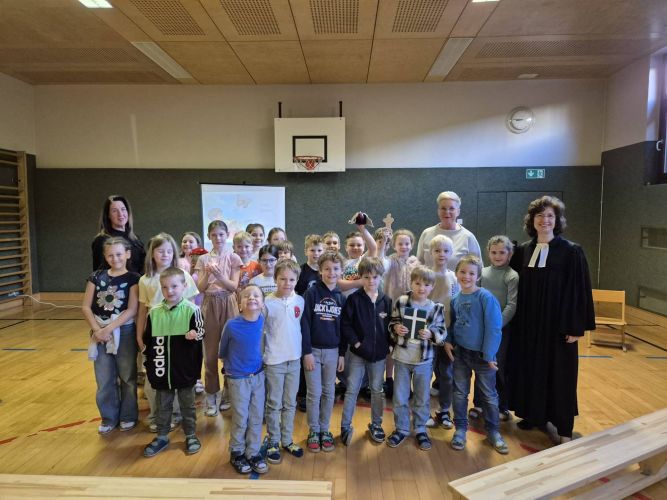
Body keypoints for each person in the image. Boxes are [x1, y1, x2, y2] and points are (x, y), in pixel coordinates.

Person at [509, 196, 595, 444]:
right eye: (539, 215)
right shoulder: (523, 251)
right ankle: (534, 415)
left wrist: (575, 327)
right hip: (528, 325)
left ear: (557, 220)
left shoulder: (571, 251)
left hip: (557, 327)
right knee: (530, 369)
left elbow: (579, 290)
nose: (544, 220)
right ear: (532, 220)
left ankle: (564, 428)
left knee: (560, 375)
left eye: (549, 216)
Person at [136, 233, 199, 432]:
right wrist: (139, 336)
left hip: (179, 337)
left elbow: (193, 307)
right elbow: (142, 311)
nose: (165, 254)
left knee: (178, 377)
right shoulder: (145, 280)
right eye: (160, 251)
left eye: (169, 251)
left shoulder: (184, 276)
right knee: (153, 379)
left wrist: (193, 334)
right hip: (157, 338)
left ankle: (176, 414)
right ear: (152, 253)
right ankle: (157, 415)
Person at [445, 255, 507, 454]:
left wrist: (489, 355)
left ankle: (493, 431)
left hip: (482, 357)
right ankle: (460, 429)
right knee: (459, 393)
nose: (466, 276)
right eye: (462, 272)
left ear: (478, 276)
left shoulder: (485, 298)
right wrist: (448, 341)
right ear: (456, 273)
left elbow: (494, 328)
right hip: (461, 355)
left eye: (471, 273)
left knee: (489, 395)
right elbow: (453, 325)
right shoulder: (455, 299)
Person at [142, 267, 204, 458]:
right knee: (162, 404)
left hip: (185, 369)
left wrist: (195, 334)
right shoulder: (154, 313)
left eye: (174, 286)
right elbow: (148, 341)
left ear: (184, 286)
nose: (169, 291)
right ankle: (161, 436)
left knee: (187, 405)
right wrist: (149, 365)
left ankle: (191, 435)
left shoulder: (193, 310)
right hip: (161, 369)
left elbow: (201, 331)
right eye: (165, 287)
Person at [82, 237, 139, 434]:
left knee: (127, 376)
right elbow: (86, 307)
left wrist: (109, 329)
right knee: (104, 378)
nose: (115, 258)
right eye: (110, 255)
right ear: (105, 257)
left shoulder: (133, 278)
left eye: (119, 254)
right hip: (99, 331)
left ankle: (128, 416)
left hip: (124, 331)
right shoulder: (96, 277)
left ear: (127, 254)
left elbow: (132, 309)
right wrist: (98, 330)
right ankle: (108, 417)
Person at [387, 266, 445, 451]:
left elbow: (442, 331)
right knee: (400, 397)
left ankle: (420, 428)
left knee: (422, 397)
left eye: (426, 285)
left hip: (424, 361)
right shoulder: (402, 301)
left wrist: (431, 334)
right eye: (417, 283)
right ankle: (402, 428)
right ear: (411, 283)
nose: (421, 288)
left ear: (432, 287)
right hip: (402, 358)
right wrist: (396, 328)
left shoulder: (436, 308)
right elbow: (392, 322)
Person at [340, 257, 392, 446]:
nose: (371, 281)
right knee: (352, 389)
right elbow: (346, 325)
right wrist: (356, 344)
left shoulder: (386, 301)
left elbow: (390, 326)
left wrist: (389, 345)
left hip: (378, 357)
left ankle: (376, 424)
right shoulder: (354, 299)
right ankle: (345, 425)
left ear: (381, 277)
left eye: (375, 277)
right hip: (357, 355)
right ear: (361, 277)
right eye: (367, 277)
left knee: (377, 390)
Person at [219, 285, 269, 475]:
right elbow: (223, 351)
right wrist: (230, 369)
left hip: (258, 376)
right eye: (247, 295)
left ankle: (253, 452)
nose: (252, 298)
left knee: (256, 416)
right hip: (237, 378)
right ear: (240, 304)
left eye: (256, 295)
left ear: (262, 304)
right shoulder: (231, 325)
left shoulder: (264, 322)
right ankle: (237, 452)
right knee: (241, 417)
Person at [469, 235, 518, 422]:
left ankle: (501, 406)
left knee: (498, 366)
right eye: (494, 252)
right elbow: (476, 297)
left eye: (502, 252)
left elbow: (511, 305)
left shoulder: (512, 276)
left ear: (509, 254)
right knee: (481, 365)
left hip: (500, 330)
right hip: (482, 329)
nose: (498, 256)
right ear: (488, 253)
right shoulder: (482, 272)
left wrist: (496, 326)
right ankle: (479, 404)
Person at [195, 220, 242, 416]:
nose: (218, 238)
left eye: (221, 234)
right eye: (213, 235)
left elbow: (233, 286)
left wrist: (220, 275)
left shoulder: (233, 257)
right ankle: (211, 394)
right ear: (209, 236)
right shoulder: (203, 259)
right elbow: (200, 288)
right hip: (210, 303)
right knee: (210, 353)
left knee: (231, 351)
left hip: (229, 302)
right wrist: (208, 274)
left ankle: (228, 393)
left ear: (227, 235)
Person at [301, 251, 346, 453]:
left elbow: (344, 328)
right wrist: (306, 352)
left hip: (333, 352)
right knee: (314, 392)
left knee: (329, 391)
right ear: (320, 271)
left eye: (335, 269)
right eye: (327, 268)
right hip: (313, 352)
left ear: (341, 271)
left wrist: (342, 354)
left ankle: (324, 429)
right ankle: (314, 430)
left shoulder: (341, 297)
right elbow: (304, 324)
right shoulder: (311, 293)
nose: (331, 272)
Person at [263, 259, 305, 464]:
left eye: (291, 280)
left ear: (296, 280)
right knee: (274, 403)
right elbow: (261, 332)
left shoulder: (300, 301)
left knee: (290, 403)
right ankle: (273, 441)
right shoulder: (266, 303)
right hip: (274, 360)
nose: (287, 283)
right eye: (282, 279)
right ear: (275, 279)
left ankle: (287, 439)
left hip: (294, 359)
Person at [426, 234, 459, 429]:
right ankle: (423, 411)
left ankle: (445, 410)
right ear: (431, 253)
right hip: (428, 334)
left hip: (446, 334)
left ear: (451, 253)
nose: (441, 254)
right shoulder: (426, 275)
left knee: (446, 374)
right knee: (425, 373)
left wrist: (452, 333)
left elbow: (456, 305)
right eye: (437, 250)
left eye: (446, 251)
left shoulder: (454, 277)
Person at [416, 191, 481, 270]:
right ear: (438, 211)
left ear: (458, 212)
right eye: (443, 208)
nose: (447, 212)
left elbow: (478, 269)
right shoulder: (426, 233)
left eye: (451, 208)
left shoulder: (468, 237)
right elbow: (418, 265)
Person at [91, 195, 145, 274]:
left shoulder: (135, 239)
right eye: (114, 211)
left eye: (123, 209)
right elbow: (99, 274)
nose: (120, 214)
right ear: (108, 215)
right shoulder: (102, 240)